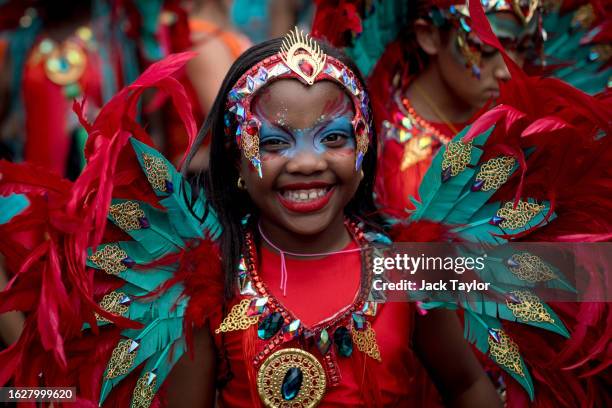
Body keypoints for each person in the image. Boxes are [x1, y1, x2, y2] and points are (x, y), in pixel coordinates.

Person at [0, 13, 609, 407]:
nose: (307, 162)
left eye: (334, 137)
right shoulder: (212, 283)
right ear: (236, 161)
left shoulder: (409, 268)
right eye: (273, 141)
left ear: (364, 149)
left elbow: (472, 383)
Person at [313, 0, 549, 217]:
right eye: (485, 47)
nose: (507, 71)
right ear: (429, 36)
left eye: (523, 47)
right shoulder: (367, 133)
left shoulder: (525, 126)